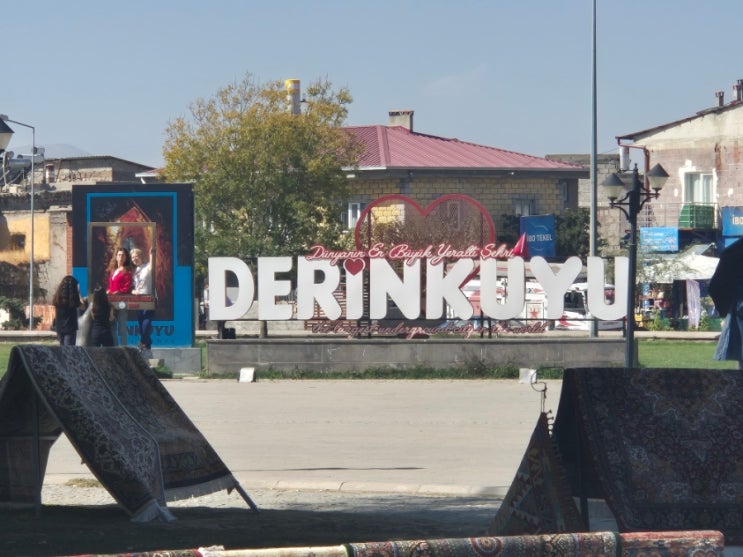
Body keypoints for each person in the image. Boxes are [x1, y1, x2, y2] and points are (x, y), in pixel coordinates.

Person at [131, 248, 154, 358]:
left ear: (141, 256)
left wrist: (151, 254)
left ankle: (142, 343)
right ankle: (147, 349)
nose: (134, 259)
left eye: (136, 256)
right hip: (138, 300)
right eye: (132, 257)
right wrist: (133, 291)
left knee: (146, 324)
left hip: (148, 298)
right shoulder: (135, 271)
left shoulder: (147, 266)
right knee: (141, 325)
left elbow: (152, 266)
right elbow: (134, 286)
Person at [52, 275, 86, 346]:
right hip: (70, 328)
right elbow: (83, 307)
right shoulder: (73, 299)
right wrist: (79, 293)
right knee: (69, 348)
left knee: (62, 347)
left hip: (59, 327)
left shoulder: (58, 298)